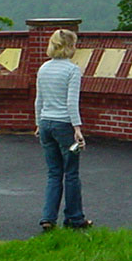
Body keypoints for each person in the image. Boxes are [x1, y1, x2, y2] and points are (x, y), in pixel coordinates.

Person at [34, 29, 92, 231]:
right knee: (71, 174)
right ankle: (75, 218)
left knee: (54, 173)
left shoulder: (43, 68)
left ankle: (48, 218)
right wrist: (77, 128)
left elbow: (39, 100)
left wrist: (38, 123)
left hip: (46, 124)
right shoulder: (72, 70)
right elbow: (71, 102)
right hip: (64, 125)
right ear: (69, 47)